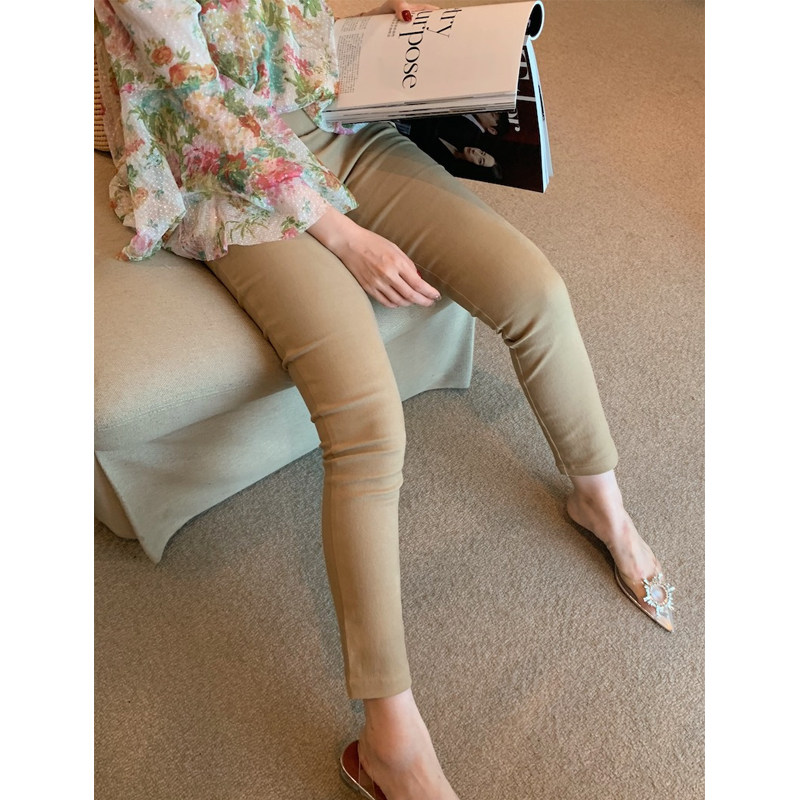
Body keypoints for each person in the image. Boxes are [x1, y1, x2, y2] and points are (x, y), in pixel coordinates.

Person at [94, 1, 677, 798]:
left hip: (328, 119)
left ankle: (600, 503)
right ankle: (389, 740)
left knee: (536, 291)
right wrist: (345, 237)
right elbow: (199, 106)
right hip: (225, 173)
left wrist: (394, 17)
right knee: (368, 424)